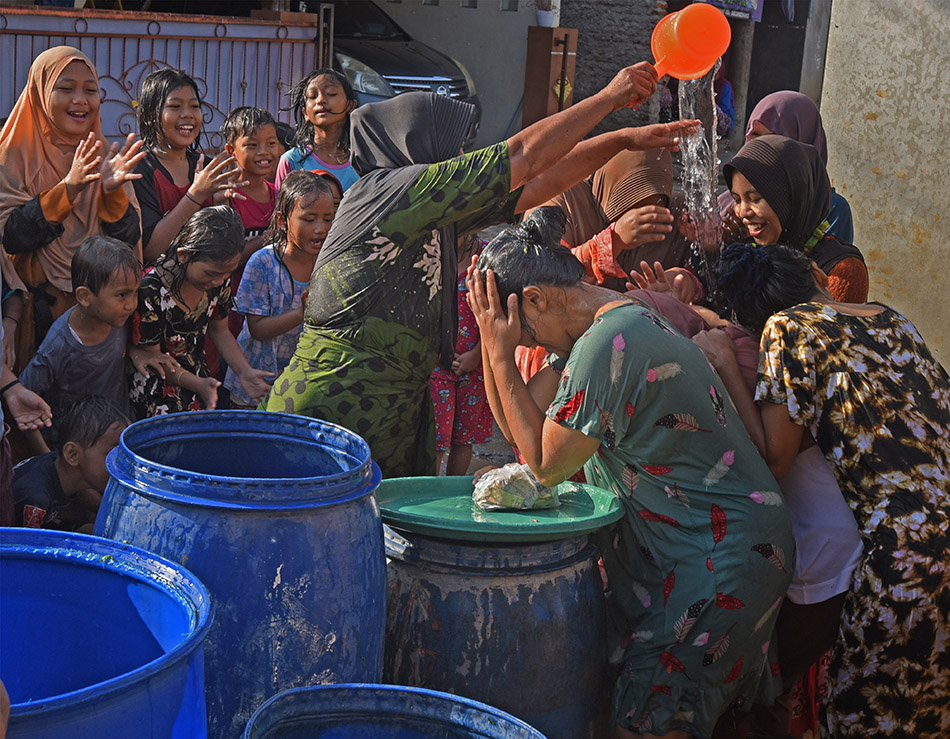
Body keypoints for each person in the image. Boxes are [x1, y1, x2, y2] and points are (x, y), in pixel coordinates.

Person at [262, 63, 700, 477]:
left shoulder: (429, 210)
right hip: (331, 411)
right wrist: (609, 97)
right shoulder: (392, 192)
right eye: (455, 149)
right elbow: (524, 155)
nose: (462, 159)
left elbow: (538, 183)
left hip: (391, 415)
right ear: (414, 145)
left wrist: (620, 141)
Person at [467, 209, 794, 738]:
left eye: (524, 333)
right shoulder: (605, 326)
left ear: (536, 298)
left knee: (644, 727)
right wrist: (492, 342)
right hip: (717, 549)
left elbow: (545, 465)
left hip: (717, 558)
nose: (528, 347)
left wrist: (502, 354)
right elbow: (518, 427)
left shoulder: (606, 345)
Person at [699, 243, 950, 739]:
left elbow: (775, 458)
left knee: (865, 719)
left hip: (905, 556)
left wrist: (726, 363)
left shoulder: (789, 329)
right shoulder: (892, 319)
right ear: (816, 271)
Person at [0, 46, 143, 363]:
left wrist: (112, 192)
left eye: (90, 91)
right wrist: (70, 187)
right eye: (65, 89)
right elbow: (12, 238)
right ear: (40, 92)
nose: (81, 100)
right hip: (32, 319)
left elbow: (126, 240)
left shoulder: (104, 153)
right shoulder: (13, 155)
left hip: (99, 318)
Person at [17, 236, 175, 452]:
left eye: (135, 293)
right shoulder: (59, 345)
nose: (131, 304)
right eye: (121, 295)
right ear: (84, 297)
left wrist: (138, 352)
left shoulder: (119, 318)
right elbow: (25, 402)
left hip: (120, 430)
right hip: (81, 447)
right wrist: (49, 462)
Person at [130, 206, 274, 417]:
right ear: (184, 256)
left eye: (227, 273)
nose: (219, 280)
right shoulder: (149, 290)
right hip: (157, 393)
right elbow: (154, 359)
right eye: (212, 273)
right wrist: (198, 384)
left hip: (201, 384)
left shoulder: (218, 279)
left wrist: (244, 371)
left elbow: (220, 331)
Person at [224, 172, 334, 409]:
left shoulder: (329, 264)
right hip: (255, 386)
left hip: (300, 388)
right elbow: (258, 329)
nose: (320, 229)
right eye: (309, 218)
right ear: (283, 220)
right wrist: (301, 315)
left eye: (328, 219)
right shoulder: (263, 262)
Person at [723, 135, 868, 303]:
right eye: (737, 200)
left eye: (755, 199)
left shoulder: (842, 270)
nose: (743, 212)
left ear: (793, 198)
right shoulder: (749, 253)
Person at [133, 68, 246, 262]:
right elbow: (150, 252)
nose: (188, 114)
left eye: (194, 106)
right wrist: (196, 195)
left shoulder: (207, 168)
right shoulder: (140, 170)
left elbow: (230, 247)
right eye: (175, 106)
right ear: (151, 115)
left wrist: (220, 203)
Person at [543, 148, 692, 292]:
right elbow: (541, 273)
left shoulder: (677, 215)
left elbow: (705, 281)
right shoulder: (563, 201)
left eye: (653, 212)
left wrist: (685, 284)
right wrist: (613, 240)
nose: (642, 223)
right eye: (630, 210)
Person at [719, 91, 854, 244]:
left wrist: (751, 244)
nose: (760, 148)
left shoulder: (831, 211)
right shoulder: (730, 204)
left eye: (773, 139)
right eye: (755, 137)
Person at [13, 395, 128, 533]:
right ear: (72, 455)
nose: (122, 464)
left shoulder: (64, 472)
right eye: (112, 454)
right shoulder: (34, 500)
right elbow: (22, 548)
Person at [429, 232, 493, 475]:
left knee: (463, 438)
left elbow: (497, 313)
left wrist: (477, 354)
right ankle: (432, 496)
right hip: (435, 363)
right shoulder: (429, 256)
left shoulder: (488, 257)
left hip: (474, 367)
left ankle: (451, 495)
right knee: (437, 437)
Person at [275, 69, 359, 192]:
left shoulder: (362, 160)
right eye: (312, 96)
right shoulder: (292, 160)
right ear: (305, 113)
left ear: (350, 106)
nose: (320, 100)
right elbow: (283, 209)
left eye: (331, 94)